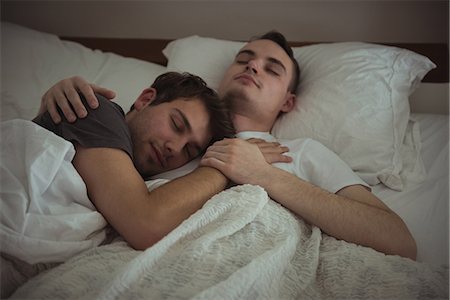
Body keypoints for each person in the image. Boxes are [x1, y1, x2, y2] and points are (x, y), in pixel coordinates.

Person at [39, 32, 417, 260]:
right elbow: (86, 171)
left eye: (272, 68)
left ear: (287, 101)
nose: (253, 67)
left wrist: (263, 175)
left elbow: (398, 240)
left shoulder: (303, 153)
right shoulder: (167, 145)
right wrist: (55, 105)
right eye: (245, 58)